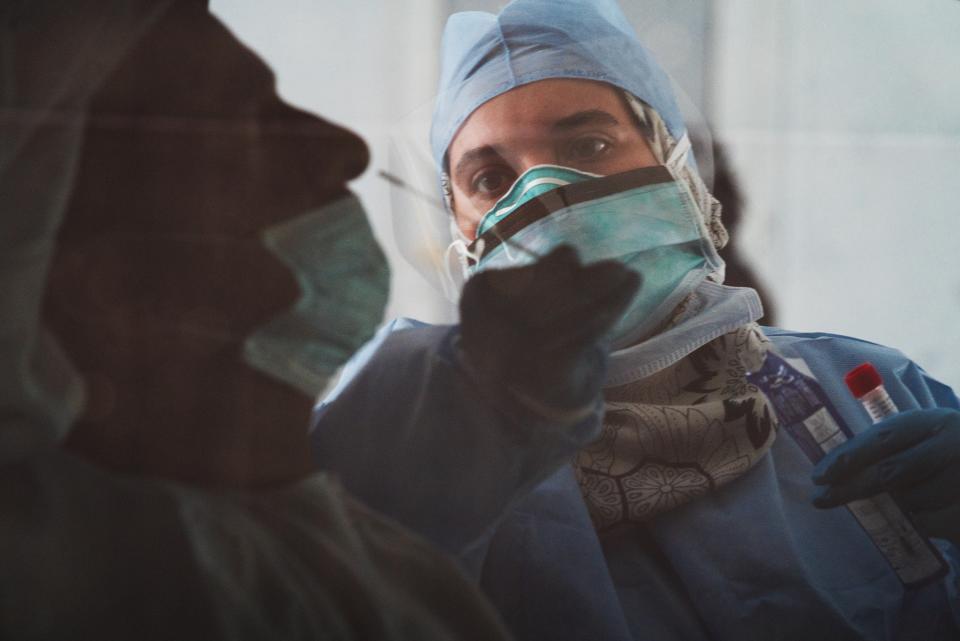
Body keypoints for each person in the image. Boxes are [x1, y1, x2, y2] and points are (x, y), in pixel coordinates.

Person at [311, 1, 960, 640]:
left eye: (589, 143)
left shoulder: (865, 390)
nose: (544, 195)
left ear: (676, 166)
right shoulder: (420, 439)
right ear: (459, 234)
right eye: (490, 176)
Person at [0, 2, 521, 638]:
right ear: (111, 288)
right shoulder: (72, 587)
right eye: (247, 122)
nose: (346, 150)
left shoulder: (392, 579)